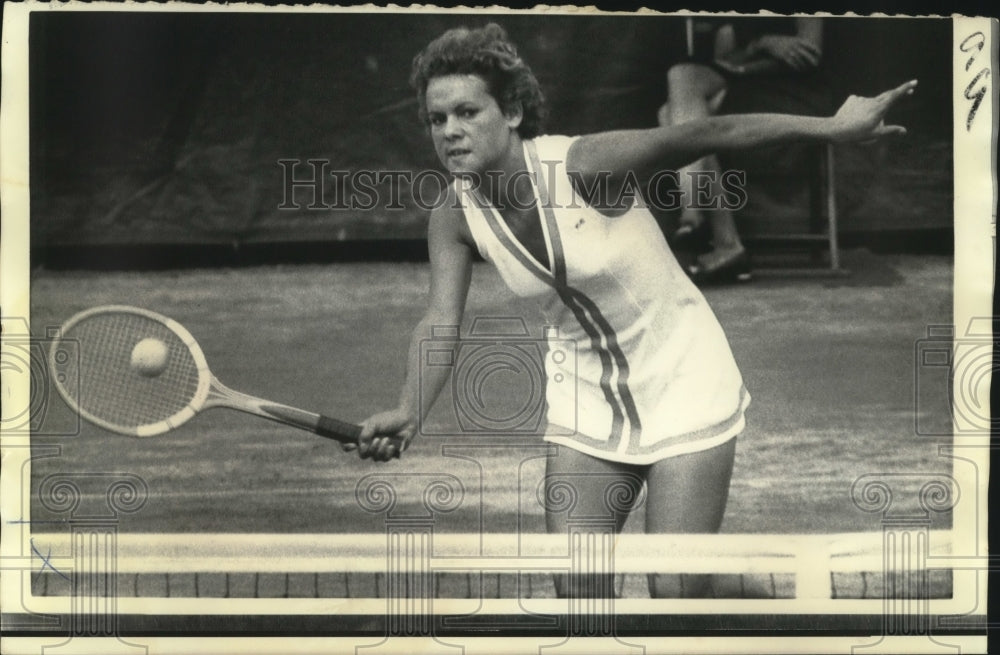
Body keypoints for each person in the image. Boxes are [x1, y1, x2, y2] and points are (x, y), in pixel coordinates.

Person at [354, 23, 915, 597]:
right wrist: (409, 410)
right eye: (436, 119)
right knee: (580, 592)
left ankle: (787, 617)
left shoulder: (584, 166)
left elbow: (707, 130)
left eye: (468, 112)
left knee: (675, 590)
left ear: (514, 111)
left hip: (683, 376)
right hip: (586, 396)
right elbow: (439, 321)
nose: (450, 131)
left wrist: (831, 127)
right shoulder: (453, 216)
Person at [658, 18, 826, 283]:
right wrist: (763, 43)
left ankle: (696, 216)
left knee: (677, 104)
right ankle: (718, 237)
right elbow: (724, 59)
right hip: (742, 86)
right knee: (678, 102)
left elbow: (809, 54)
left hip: (792, 92)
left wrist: (752, 57)